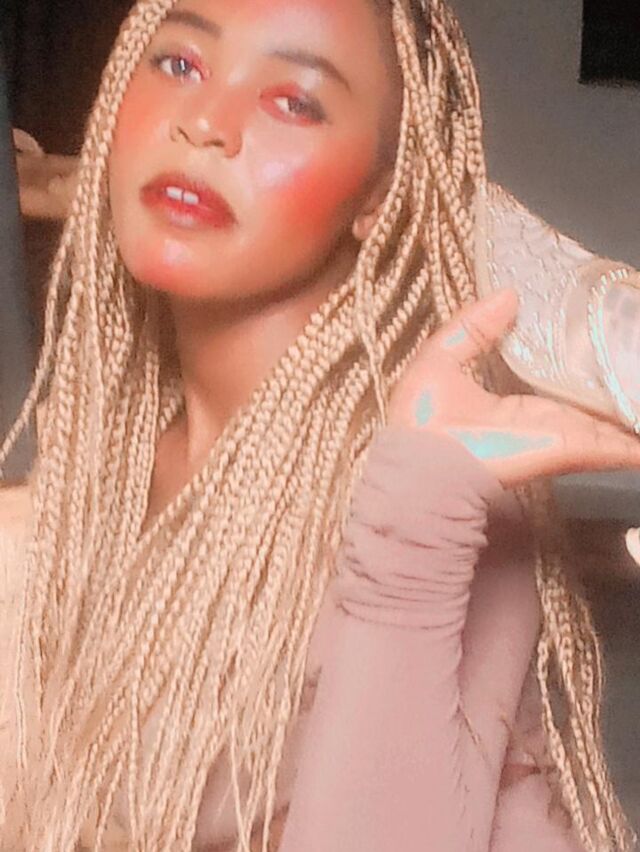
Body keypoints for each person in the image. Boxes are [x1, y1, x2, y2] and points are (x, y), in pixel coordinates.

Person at [0, 0, 639, 849]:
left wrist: (419, 521)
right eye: (180, 64)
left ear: (378, 194)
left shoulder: (431, 493)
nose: (206, 123)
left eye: (294, 101)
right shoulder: (69, 493)